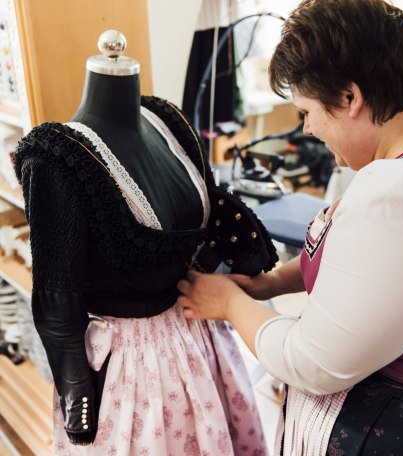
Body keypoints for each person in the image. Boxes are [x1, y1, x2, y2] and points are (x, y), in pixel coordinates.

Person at [177, 0, 403, 454]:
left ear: (349, 98)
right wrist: (273, 284)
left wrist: (229, 303)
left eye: (307, 111)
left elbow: (310, 361)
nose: (306, 130)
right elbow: (389, 271)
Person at [14, 32, 276, 455]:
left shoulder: (165, 121)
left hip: (203, 336)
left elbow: (213, 221)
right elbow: (56, 300)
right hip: (132, 370)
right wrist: (78, 397)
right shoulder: (56, 161)